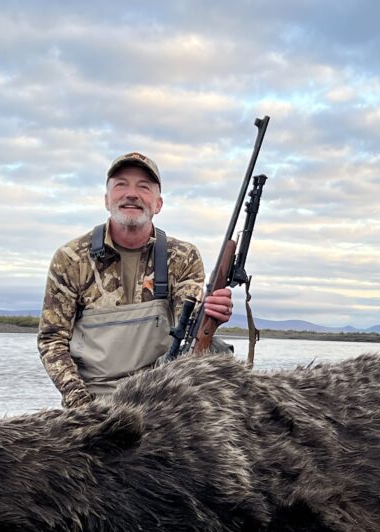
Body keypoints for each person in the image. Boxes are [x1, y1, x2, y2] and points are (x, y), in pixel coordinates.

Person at [38, 152, 234, 407]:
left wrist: (212, 315)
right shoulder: (70, 258)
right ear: (106, 200)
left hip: (161, 397)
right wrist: (82, 407)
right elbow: (52, 340)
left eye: (143, 187)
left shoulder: (182, 256)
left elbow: (191, 332)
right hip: (94, 400)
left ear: (158, 204)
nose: (132, 193)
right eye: (121, 185)